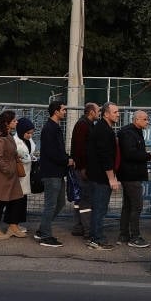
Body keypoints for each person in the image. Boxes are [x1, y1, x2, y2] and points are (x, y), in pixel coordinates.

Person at [84, 103, 122, 250]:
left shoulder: (103, 128)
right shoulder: (103, 130)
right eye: (115, 112)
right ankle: (96, 239)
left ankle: (96, 237)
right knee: (99, 209)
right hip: (101, 178)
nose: (118, 114)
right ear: (106, 114)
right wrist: (112, 178)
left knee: (99, 209)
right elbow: (105, 156)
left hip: (98, 176)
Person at [0, 111, 27, 241]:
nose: (17, 122)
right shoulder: (1, 139)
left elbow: (6, 154)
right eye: (14, 120)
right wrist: (9, 168)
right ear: (6, 123)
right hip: (3, 176)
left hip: (9, 175)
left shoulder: (7, 136)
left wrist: (15, 157)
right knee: (0, 202)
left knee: (16, 199)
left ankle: (13, 226)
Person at [36, 101, 71, 247]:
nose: (65, 112)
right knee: (50, 204)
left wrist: (66, 158)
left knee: (60, 202)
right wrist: (66, 160)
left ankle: (42, 229)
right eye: (63, 110)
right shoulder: (49, 128)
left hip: (57, 171)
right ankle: (45, 236)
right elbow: (51, 152)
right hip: (51, 173)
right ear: (56, 112)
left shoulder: (55, 127)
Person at [117, 109, 151, 248]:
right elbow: (130, 154)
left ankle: (124, 235)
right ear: (136, 119)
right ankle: (134, 236)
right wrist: (148, 156)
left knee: (128, 205)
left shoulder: (134, 132)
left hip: (131, 174)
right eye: (145, 119)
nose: (147, 121)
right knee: (136, 206)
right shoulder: (128, 133)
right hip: (131, 175)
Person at [69, 102, 100, 237]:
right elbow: (80, 149)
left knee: (80, 199)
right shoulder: (83, 125)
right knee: (86, 199)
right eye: (98, 110)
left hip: (82, 167)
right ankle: (88, 230)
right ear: (91, 112)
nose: (99, 113)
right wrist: (83, 167)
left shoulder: (87, 124)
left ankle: (78, 227)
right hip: (83, 169)